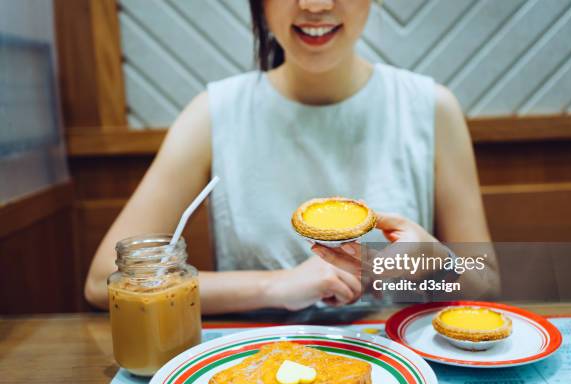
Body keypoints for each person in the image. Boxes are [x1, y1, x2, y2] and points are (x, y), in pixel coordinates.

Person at [85, 0, 499, 313]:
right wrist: (275, 285)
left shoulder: (431, 108)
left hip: (400, 365)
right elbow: (105, 279)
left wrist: (437, 262)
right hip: (259, 362)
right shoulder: (214, 114)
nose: (315, 5)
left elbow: (487, 282)